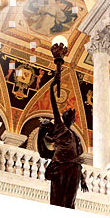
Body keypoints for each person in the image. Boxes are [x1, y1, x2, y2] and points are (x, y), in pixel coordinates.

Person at [38, 73, 88, 209]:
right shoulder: (60, 128)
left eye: (72, 117)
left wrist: (83, 179)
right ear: (65, 118)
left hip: (74, 169)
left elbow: (77, 159)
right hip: (60, 168)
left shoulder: (76, 137)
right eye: (69, 116)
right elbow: (54, 106)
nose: (72, 118)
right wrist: (51, 86)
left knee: (70, 203)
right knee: (58, 200)